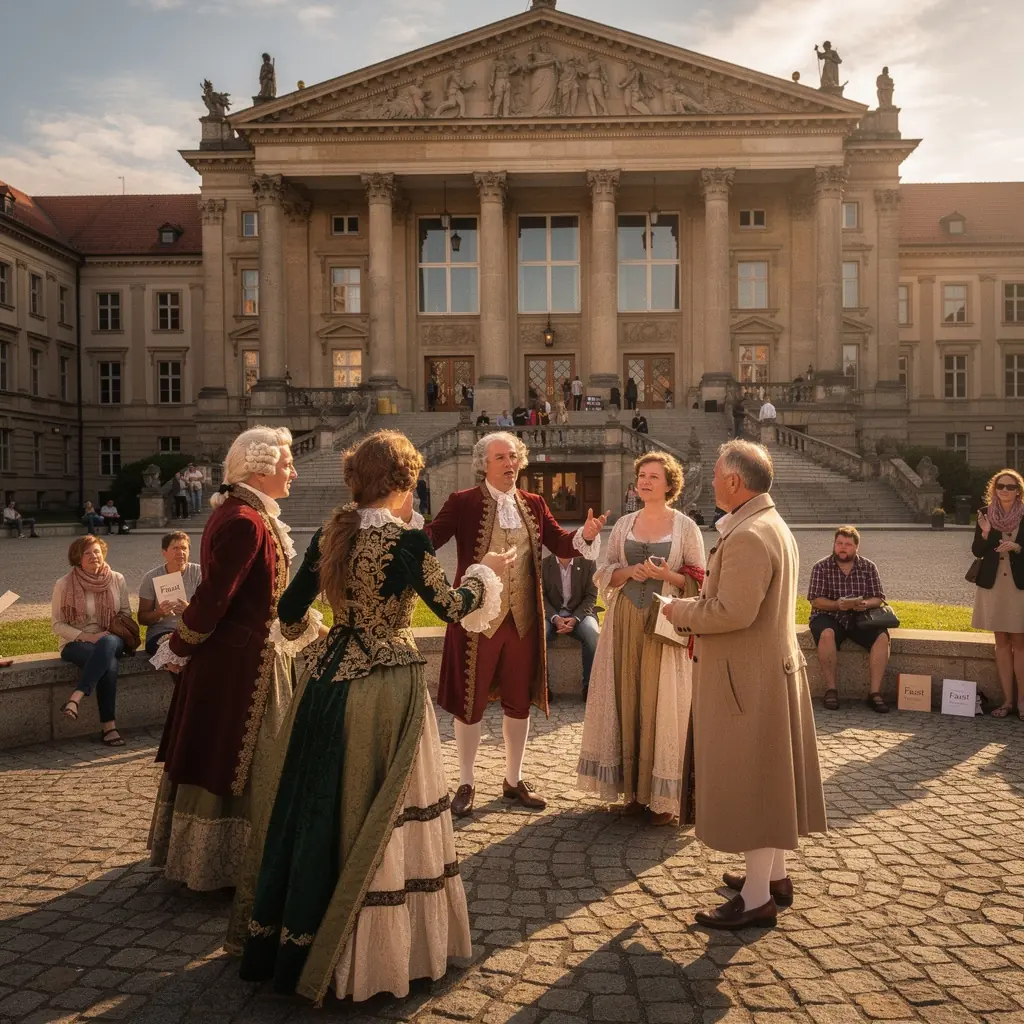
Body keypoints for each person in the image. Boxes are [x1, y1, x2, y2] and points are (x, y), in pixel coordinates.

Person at [226, 431, 508, 1004]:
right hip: (385, 687)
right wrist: (485, 572)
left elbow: (287, 611)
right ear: (405, 483)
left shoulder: (332, 532)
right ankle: (372, 951)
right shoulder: (407, 542)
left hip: (326, 683)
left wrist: (325, 636)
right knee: (382, 810)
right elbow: (454, 609)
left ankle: (292, 936)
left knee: (318, 804)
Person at [663, 439, 826, 928]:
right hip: (765, 672)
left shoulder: (751, 534)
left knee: (754, 783)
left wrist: (678, 611)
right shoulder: (769, 524)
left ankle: (757, 900)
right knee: (770, 778)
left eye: (716, 474)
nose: (712, 481)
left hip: (747, 680)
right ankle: (772, 876)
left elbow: (733, 611)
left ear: (734, 481)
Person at [148, 426, 302, 891]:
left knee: (231, 754)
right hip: (241, 665)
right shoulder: (244, 520)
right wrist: (177, 646)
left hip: (248, 654)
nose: (292, 470)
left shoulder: (249, 513)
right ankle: (231, 864)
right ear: (259, 468)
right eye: (285, 463)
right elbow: (215, 597)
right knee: (236, 757)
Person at [425, 432, 607, 817]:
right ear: (484, 464)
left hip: (522, 620)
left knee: (518, 701)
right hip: (477, 619)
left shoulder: (533, 503)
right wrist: (401, 523)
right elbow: (430, 538)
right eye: (500, 458)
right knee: (470, 704)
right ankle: (467, 781)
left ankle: (513, 778)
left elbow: (560, 543)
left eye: (513, 457)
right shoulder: (463, 502)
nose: (509, 464)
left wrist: (585, 536)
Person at [577, 452, 705, 825]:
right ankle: (633, 792)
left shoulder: (686, 527)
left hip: (664, 624)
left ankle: (662, 799)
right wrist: (630, 570)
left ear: (670, 485)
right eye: (642, 476)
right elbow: (604, 573)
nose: (646, 482)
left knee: (658, 702)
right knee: (626, 698)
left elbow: (700, 578)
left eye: (654, 476)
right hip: (624, 623)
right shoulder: (623, 525)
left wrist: (671, 575)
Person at [52, 535, 132, 747]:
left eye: (96, 551)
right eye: (87, 552)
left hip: (113, 637)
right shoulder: (63, 584)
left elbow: (126, 613)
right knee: (110, 663)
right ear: (77, 558)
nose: (93, 556)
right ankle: (109, 728)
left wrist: (106, 631)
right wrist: (89, 637)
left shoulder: (117, 578)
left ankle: (76, 697)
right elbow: (57, 625)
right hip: (76, 642)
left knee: (107, 643)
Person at [807, 526, 891, 713]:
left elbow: (878, 597)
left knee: (882, 637)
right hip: (829, 615)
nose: (842, 548)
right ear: (834, 544)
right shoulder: (821, 567)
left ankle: (875, 693)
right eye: (839, 544)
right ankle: (831, 689)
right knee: (826, 633)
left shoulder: (868, 567)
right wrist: (837, 605)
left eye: (847, 545)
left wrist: (866, 604)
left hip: (860, 617)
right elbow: (816, 600)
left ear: (856, 547)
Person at [971, 469, 1024, 718]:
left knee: (1020, 643)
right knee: (1000, 643)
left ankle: (1023, 701)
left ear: (1018, 491)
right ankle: (1007, 701)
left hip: (1018, 586)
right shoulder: (985, 513)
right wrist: (984, 532)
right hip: (993, 585)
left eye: (1010, 487)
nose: (1005, 490)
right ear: (994, 489)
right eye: (1000, 486)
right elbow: (977, 550)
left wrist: (1018, 547)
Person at [542, 553, 599, 701]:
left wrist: (575, 618)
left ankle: (589, 687)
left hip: (580, 614)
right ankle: (543, 687)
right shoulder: (543, 565)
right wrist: (555, 618)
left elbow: (591, 596)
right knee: (539, 634)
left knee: (591, 633)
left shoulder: (588, 563)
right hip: (552, 615)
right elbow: (541, 596)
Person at [138, 532, 202, 656]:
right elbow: (142, 618)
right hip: (161, 632)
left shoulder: (199, 573)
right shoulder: (151, 578)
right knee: (173, 652)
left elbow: (211, 610)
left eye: (184, 548)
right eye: (175, 548)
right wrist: (159, 613)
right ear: (164, 552)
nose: (180, 552)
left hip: (192, 630)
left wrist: (191, 610)